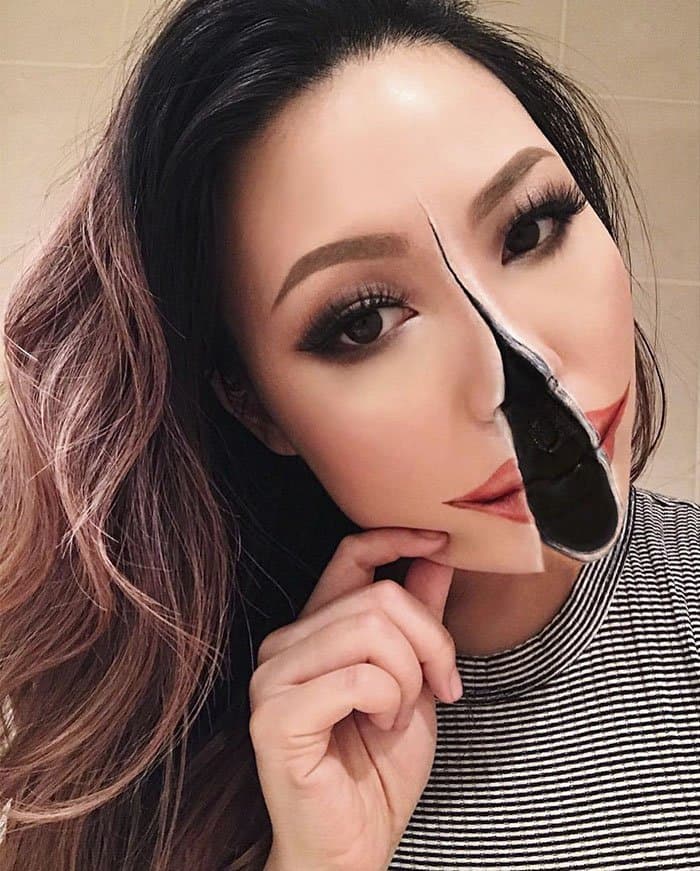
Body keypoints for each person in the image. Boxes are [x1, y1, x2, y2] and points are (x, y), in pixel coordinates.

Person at [1, 0, 697, 868]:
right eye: (364, 321)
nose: (518, 380)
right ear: (254, 405)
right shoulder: (180, 769)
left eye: (531, 228)